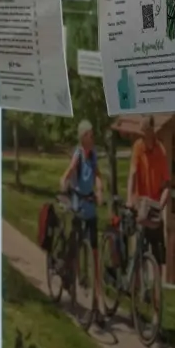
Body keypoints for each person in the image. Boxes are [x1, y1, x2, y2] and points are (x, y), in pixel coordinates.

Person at [59, 120, 101, 319]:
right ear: (83, 137)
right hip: (78, 204)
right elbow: (69, 171)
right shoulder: (78, 154)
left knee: (94, 251)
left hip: (90, 207)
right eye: (90, 135)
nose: (92, 138)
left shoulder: (93, 156)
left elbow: (98, 176)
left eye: (93, 135)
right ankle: (69, 274)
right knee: (75, 245)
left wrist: (99, 190)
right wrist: (64, 183)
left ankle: (96, 301)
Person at [128, 114, 171, 265]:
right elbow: (133, 174)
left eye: (144, 130)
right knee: (137, 253)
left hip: (153, 208)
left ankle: (157, 286)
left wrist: (161, 205)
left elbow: (166, 184)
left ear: (152, 131)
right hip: (140, 205)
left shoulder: (161, 151)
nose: (142, 134)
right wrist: (130, 198)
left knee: (158, 256)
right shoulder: (138, 147)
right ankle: (136, 283)